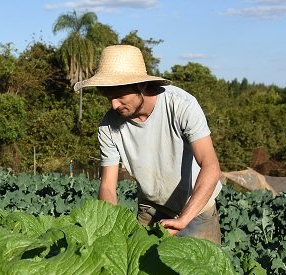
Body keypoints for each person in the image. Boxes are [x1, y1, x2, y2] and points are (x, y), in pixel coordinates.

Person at [74, 45, 222, 244]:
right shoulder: (108, 126)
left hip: (196, 211)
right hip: (150, 210)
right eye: (109, 98)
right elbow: (108, 186)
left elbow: (210, 165)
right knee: (139, 271)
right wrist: (109, 226)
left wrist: (183, 219)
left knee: (200, 272)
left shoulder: (181, 106)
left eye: (120, 97)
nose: (114, 105)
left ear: (141, 86)